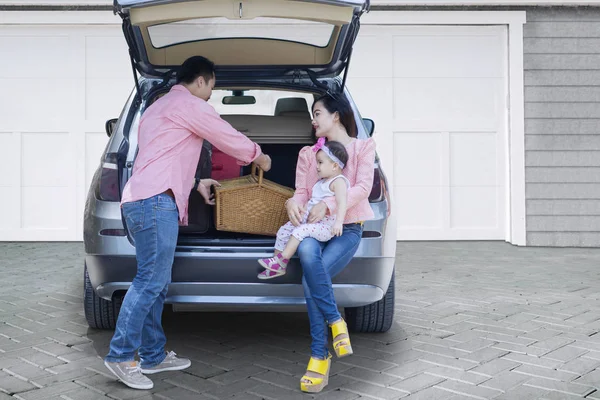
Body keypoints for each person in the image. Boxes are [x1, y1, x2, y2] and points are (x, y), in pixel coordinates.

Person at [103, 56, 272, 390]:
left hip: (140, 199)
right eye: (211, 87)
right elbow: (224, 134)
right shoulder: (190, 105)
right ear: (201, 81)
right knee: (150, 282)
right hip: (155, 203)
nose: (211, 94)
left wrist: (196, 182)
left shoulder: (157, 108)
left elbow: (162, 154)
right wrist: (257, 154)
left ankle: (152, 356)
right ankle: (121, 356)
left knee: (156, 282)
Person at [284, 93, 376, 393]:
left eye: (318, 112)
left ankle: (319, 355)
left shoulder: (363, 147)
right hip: (312, 229)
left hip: (346, 228)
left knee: (313, 275)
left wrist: (331, 207)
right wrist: (292, 203)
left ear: (336, 116)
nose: (313, 119)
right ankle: (336, 324)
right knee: (310, 258)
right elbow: (302, 190)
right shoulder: (308, 154)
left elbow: (363, 187)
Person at [257, 139, 350, 279]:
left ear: (335, 165)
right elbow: (312, 201)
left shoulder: (339, 182)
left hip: (325, 227)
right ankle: (277, 266)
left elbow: (343, 202)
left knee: (300, 231)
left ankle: (281, 260)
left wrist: (338, 223)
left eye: (320, 162)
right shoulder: (321, 182)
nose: (317, 166)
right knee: (284, 230)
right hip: (311, 222)